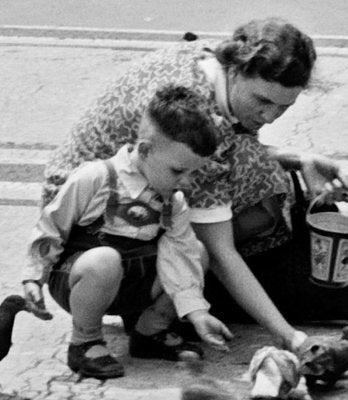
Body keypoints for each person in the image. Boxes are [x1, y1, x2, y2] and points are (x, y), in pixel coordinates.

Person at [40, 17, 348, 353]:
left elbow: (236, 147)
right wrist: (289, 335)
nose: (269, 116)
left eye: (283, 107)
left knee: (264, 176)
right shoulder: (202, 122)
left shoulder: (206, 61)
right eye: (262, 101)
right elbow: (221, 253)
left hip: (119, 192)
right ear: (236, 70)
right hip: (85, 237)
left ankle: (171, 295)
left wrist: (300, 160)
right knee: (217, 236)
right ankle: (152, 302)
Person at [23, 85, 233, 379]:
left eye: (193, 173)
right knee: (104, 261)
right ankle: (85, 341)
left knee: (196, 252)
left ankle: (149, 331)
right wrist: (35, 276)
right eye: (177, 171)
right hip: (79, 279)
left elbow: (181, 257)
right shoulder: (97, 177)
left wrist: (196, 312)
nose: (186, 182)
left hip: (134, 284)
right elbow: (51, 227)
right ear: (145, 150)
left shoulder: (173, 202)